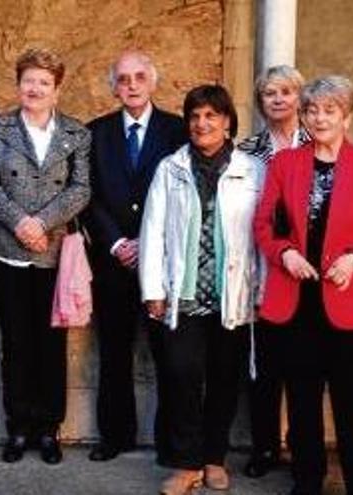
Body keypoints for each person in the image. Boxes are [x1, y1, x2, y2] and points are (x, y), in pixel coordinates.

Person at [254, 75, 353, 495]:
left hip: (348, 299)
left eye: (329, 111)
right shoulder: (284, 164)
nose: (319, 118)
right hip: (296, 300)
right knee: (301, 400)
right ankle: (307, 480)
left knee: (351, 403)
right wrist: (285, 254)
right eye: (312, 110)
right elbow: (264, 223)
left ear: (346, 116)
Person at [139, 85, 262, 494]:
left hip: (231, 294)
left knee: (225, 378)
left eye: (211, 116)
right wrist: (153, 289)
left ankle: (214, 459)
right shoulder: (170, 168)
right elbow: (153, 231)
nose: (201, 124)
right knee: (181, 376)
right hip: (184, 295)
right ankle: (186, 463)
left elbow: (262, 234)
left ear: (227, 122)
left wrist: (260, 291)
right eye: (194, 116)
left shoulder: (252, 170)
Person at [0, 48, 91, 465]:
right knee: (16, 341)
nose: (35, 88)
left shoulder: (77, 134)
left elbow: (80, 189)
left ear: (57, 89)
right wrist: (20, 223)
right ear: (18, 84)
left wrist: (42, 223)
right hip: (8, 250)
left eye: (44, 82)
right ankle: (18, 427)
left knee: (50, 342)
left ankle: (48, 428)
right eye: (29, 80)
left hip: (53, 251)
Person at [84, 50, 187, 463]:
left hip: (161, 263)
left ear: (152, 82)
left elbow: (183, 194)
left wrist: (149, 242)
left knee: (168, 354)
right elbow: (87, 195)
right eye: (123, 78)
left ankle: (170, 441)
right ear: (114, 86)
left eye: (139, 76)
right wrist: (115, 243)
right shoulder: (96, 133)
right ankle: (115, 436)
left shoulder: (178, 130)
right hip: (112, 264)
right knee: (114, 352)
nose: (131, 84)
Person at [237, 64, 311, 479]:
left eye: (286, 92)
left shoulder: (318, 145)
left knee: (305, 366)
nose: (278, 99)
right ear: (261, 102)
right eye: (270, 93)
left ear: (299, 98)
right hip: (262, 268)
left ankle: (304, 447)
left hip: (307, 270)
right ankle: (264, 447)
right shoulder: (246, 151)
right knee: (263, 366)